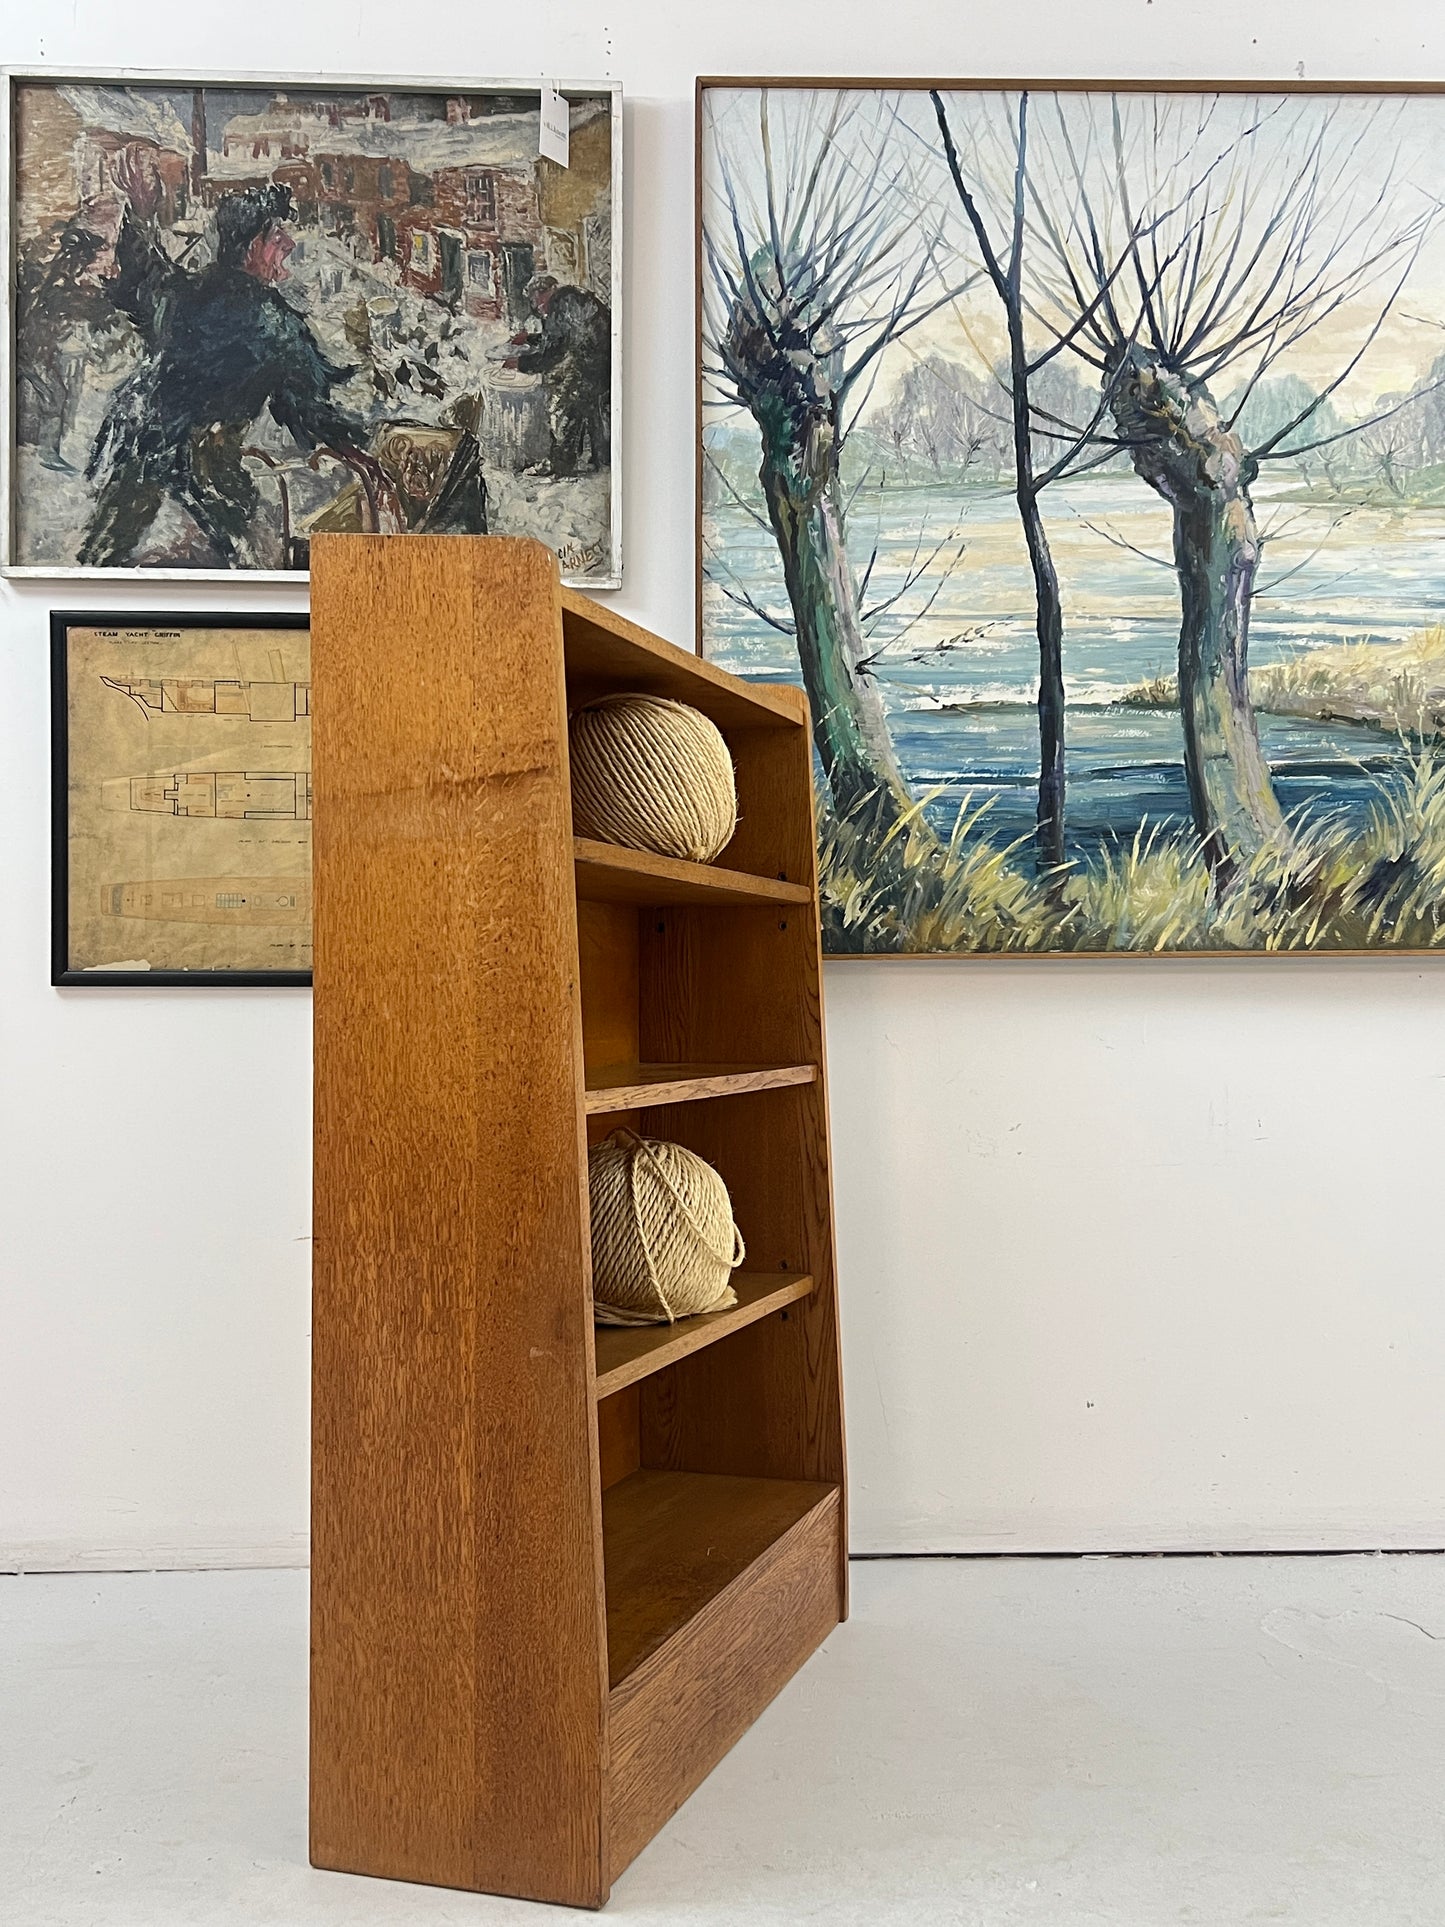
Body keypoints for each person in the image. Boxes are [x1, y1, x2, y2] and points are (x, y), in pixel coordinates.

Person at [78, 147, 382, 568]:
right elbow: (307, 409)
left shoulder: (188, 292)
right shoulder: (273, 324)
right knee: (251, 553)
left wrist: (141, 212)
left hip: (143, 436)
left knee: (103, 554)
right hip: (180, 449)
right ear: (250, 247)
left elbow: (144, 276)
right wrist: (363, 440)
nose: (289, 245)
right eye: (277, 238)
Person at [16, 222, 118, 471]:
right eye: (87, 257)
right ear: (78, 255)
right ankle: (45, 454)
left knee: (54, 397)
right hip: (36, 348)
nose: (89, 264)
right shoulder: (60, 278)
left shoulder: (63, 275)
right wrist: (99, 305)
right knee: (53, 398)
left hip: (43, 348)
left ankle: (47, 452)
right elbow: (65, 305)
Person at [508, 273, 611, 478]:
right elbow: (559, 338)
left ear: (544, 293)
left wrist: (520, 363)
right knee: (589, 408)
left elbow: (553, 351)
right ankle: (601, 459)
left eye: (536, 303)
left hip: (591, 365)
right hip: (605, 363)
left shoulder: (559, 305)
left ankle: (560, 465)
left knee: (562, 405)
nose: (537, 309)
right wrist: (529, 338)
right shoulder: (572, 297)